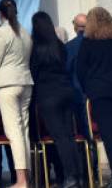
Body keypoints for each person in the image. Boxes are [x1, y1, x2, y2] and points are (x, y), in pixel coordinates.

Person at [76, 7, 112, 188]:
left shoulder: (88, 44)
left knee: (109, 135)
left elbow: (80, 70)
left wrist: (89, 89)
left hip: (100, 93)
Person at [0, 0, 33, 188]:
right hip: (25, 83)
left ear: (0, 14)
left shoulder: (1, 33)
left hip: (7, 85)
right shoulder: (25, 33)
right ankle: (26, 178)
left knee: (14, 132)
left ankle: (21, 181)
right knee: (23, 131)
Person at [30, 11, 81, 188]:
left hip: (48, 95)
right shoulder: (59, 44)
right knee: (69, 135)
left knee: (59, 137)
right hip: (66, 90)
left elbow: (33, 73)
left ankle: (70, 177)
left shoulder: (35, 47)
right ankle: (77, 174)